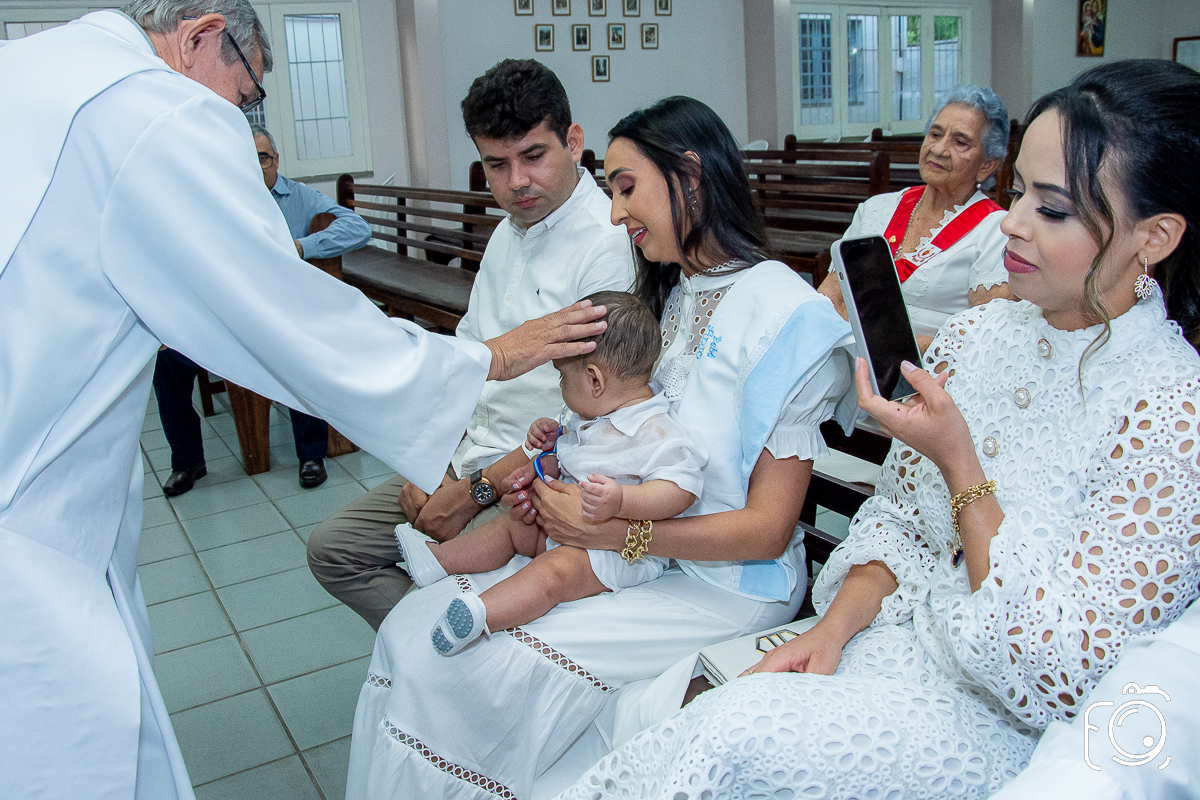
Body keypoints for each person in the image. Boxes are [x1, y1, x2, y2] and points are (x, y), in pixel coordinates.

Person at [0, 3, 607, 798]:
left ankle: (466, 676)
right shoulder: (145, 108)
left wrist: (473, 475)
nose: (242, 116)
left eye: (531, 157)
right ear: (201, 36)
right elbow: (287, 319)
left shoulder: (41, 74)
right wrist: (475, 387)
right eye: (248, 93)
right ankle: (457, 674)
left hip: (528, 473)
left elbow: (593, 412)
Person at [555, 60, 1200, 800]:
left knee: (728, 738)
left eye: (1051, 210)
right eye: (1018, 190)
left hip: (1002, 721)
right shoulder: (976, 338)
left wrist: (961, 466)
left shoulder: (1172, 412)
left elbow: (1053, 678)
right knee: (670, 715)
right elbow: (896, 522)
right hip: (881, 639)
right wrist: (829, 631)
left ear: (1155, 236)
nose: (1011, 222)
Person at [344, 96, 857, 800]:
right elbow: (599, 427)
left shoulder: (789, 318)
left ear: (690, 176)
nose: (616, 214)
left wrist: (616, 531)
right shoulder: (670, 294)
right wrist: (542, 483)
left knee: (457, 669)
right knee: (410, 628)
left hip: (723, 585)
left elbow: (767, 531)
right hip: (628, 556)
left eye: (625, 187)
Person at [306, 58, 635, 631]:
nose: (516, 182)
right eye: (496, 164)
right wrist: (427, 463)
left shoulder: (606, 243)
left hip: (536, 482)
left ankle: (445, 646)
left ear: (574, 142)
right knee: (335, 550)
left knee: (437, 580)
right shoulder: (509, 232)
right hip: (465, 459)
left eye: (533, 156)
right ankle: (436, 648)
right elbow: (467, 358)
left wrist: (473, 495)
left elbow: (589, 416)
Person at [393, 291, 705, 655]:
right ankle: (438, 560)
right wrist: (551, 451)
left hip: (614, 554)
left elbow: (682, 489)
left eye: (562, 377)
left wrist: (622, 500)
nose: (560, 387)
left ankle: (482, 616)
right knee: (512, 527)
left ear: (595, 381)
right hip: (564, 526)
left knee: (555, 572)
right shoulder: (595, 413)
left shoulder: (656, 431)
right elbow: (573, 458)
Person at [153, 124, 371, 496]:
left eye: (264, 158)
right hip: (229, 316)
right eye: (247, 159)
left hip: (283, 314)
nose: (257, 167)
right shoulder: (220, 198)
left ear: (276, 160)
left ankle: (311, 455)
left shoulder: (299, 197)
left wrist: (302, 246)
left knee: (301, 350)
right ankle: (187, 462)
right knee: (168, 362)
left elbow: (358, 228)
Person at [819, 85, 1016, 351]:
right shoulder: (876, 209)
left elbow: (985, 341)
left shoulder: (996, 231)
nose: (939, 149)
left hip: (929, 368)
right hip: (850, 356)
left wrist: (884, 351)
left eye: (960, 142)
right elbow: (830, 297)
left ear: (986, 165)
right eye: (935, 134)